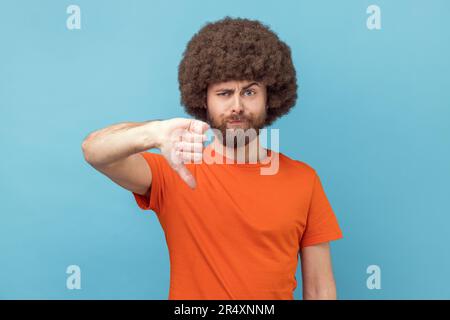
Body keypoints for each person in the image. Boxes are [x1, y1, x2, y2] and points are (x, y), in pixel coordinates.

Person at [82, 16, 343, 300]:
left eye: (250, 92)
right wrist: (154, 132)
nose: (237, 106)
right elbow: (94, 151)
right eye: (224, 93)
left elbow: (319, 289)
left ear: (270, 97)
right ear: (204, 100)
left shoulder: (304, 180)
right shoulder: (175, 169)